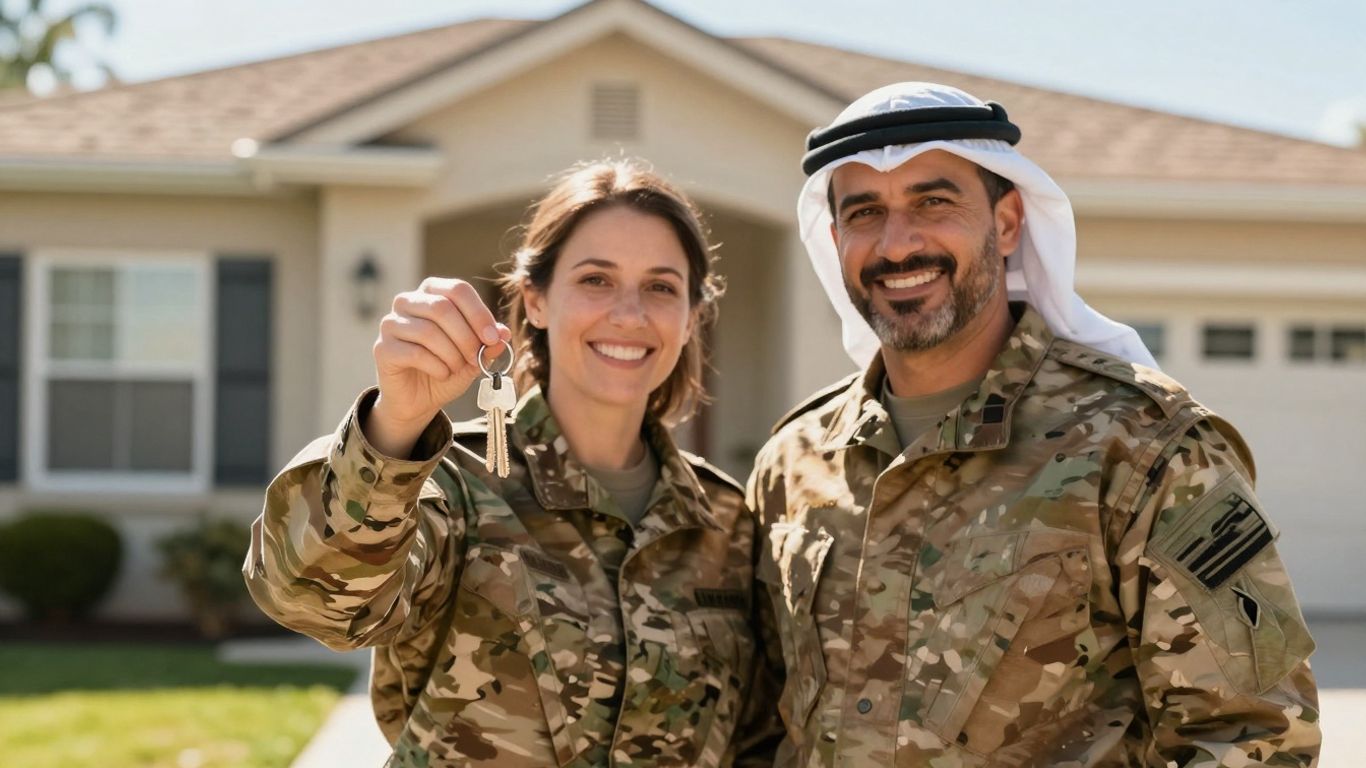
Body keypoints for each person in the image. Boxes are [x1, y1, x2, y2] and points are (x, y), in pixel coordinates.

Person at [741, 82, 1320, 766]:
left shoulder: (1142, 445)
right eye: (865, 213)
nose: (897, 245)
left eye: (933, 202)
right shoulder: (794, 460)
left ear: (1009, 222)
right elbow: (762, 728)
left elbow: (1257, 734)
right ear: (835, 240)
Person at [244, 159, 760, 767]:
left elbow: (757, 741)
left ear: (692, 316)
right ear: (535, 300)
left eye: (661, 287)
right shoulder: (450, 481)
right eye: (596, 279)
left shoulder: (726, 520)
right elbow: (311, 599)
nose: (629, 313)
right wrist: (397, 421)